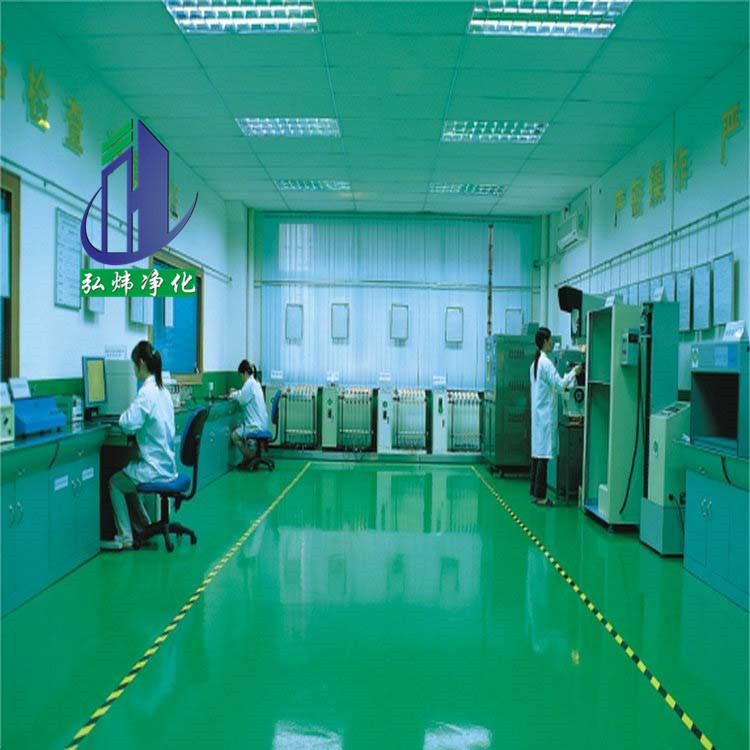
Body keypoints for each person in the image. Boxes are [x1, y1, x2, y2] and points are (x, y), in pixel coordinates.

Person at [102, 341, 178, 551]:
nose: (134, 369)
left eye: (134, 364)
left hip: (154, 469)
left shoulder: (146, 393)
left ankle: (126, 536)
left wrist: (122, 415)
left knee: (115, 482)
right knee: (130, 472)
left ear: (141, 363)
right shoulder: (162, 391)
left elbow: (127, 423)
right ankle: (145, 525)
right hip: (166, 465)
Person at [529, 327, 583, 506]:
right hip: (544, 416)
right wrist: (574, 372)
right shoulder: (545, 363)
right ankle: (541, 497)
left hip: (539, 415)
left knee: (538, 455)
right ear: (545, 341)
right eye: (550, 339)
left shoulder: (536, 363)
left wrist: (566, 380)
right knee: (543, 456)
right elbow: (559, 385)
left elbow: (553, 386)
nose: (552, 343)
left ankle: (535, 493)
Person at [229, 360, 269, 468]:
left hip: (255, 426)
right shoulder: (255, 383)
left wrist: (232, 394)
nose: (241, 378)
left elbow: (242, 399)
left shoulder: (249, 384)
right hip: (262, 424)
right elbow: (244, 394)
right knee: (242, 428)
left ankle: (250, 457)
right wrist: (237, 392)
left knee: (234, 435)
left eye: (241, 375)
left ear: (245, 373)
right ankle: (250, 457)